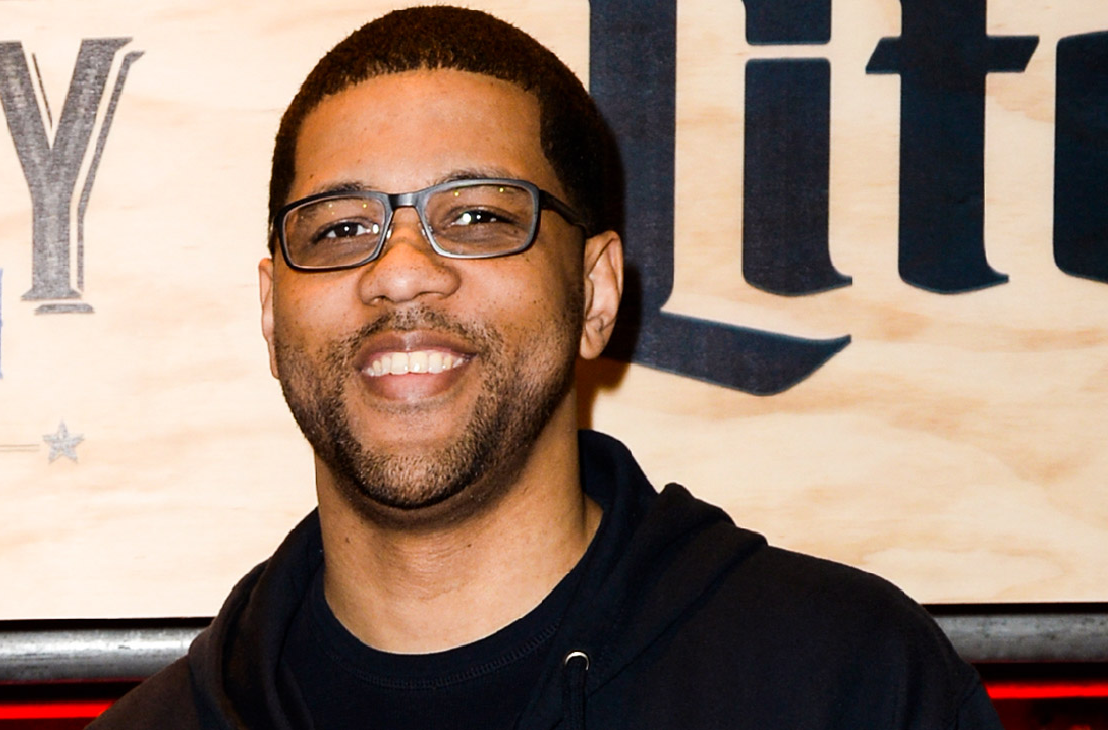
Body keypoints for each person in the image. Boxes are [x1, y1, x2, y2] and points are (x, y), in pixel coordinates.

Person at [90, 6, 1002, 729]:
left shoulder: (845, 684)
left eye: (479, 216)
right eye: (339, 228)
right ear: (270, 307)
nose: (400, 268)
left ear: (596, 292)